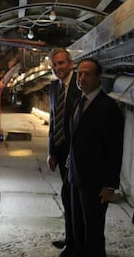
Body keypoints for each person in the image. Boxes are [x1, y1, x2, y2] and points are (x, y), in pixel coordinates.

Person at [67, 58, 124, 257]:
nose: (81, 78)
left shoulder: (108, 108)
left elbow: (115, 149)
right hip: (75, 176)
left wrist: (110, 185)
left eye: (87, 74)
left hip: (95, 182)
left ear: (98, 77)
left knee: (93, 231)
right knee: (78, 228)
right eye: (79, 74)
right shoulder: (78, 101)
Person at [47, 48, 81, 255]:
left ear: (70, 63)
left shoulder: (81, 83)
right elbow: (53, 120)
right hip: (60, 151)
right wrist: (51, 152)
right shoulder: (53, 87)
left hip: (76, 153)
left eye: (61, 63)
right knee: (67, 196)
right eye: (54, 65)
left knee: (74, 197)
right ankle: (70, 238)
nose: (58, 68)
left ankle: (76, 243)